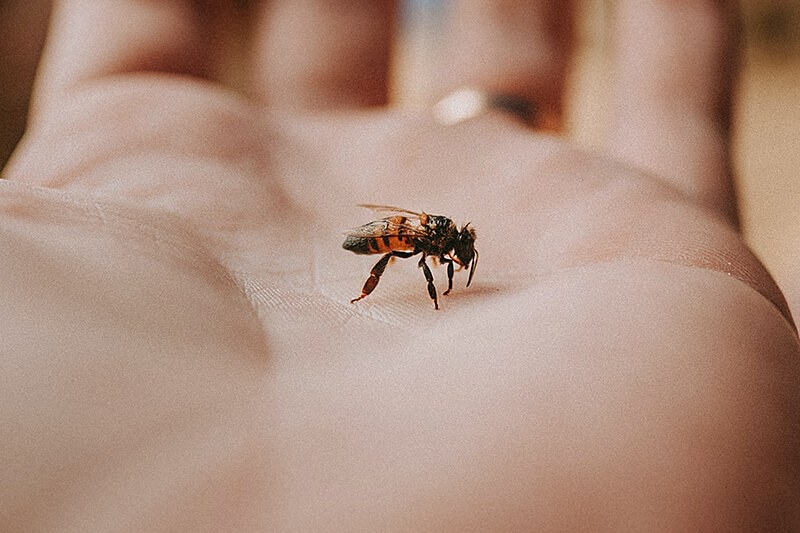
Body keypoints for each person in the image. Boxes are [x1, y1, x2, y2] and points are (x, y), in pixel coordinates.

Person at [1, 0, 798, 530]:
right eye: (459, 253)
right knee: (393, 257)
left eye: (458, 253)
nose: (460, 259)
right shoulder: (424, 242)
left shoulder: (444, 238)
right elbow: (413, 253)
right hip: (374, 245)